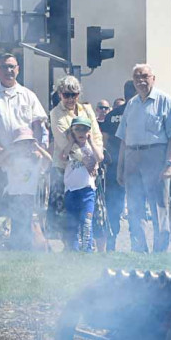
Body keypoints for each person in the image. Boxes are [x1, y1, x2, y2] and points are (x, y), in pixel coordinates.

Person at [0, 53, 47, 244]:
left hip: (23, 165)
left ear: (18, 69)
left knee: (21, 206)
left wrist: (35, 150)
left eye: (12, 66)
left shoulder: (29, 96)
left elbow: (38, 125)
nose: (9, 70)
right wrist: (3, 153)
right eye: (4, 67)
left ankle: (19, 245)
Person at [115, 64, 171, 253]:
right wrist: (121, 167)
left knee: (159, 205)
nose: (141, 80)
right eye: (136, 77)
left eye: (144, 76)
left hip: (156, 156)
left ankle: (160, 251)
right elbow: (124, 138)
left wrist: (169, 164)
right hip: (132, 156)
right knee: (134, 205)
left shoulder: (165, 100)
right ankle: (139, 249)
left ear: (153, 78)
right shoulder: (131, 104)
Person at [49, 75, 103, 249]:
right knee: (66, 216)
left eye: (75, 94)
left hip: (90, 170)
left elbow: (96, 134)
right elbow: (65, 141)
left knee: (92, 214)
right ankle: (70, 248)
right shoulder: (55, 113)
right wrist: (87, 161)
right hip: (65, 169)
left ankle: (90, 248)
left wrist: (96, 160)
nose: (71, 98)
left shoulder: (87, 109)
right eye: (67, 94)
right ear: (59, 94)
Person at [0, 126, 51, 250]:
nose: (24, 146)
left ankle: (26, 247)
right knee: (16, 222)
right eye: (21, 143)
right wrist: (10, 150)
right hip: (13, 195)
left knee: (26, 221)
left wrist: (38, 147)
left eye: (27, 143)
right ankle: (15, 246)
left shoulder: (35, 160)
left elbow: (49, 159)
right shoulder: (12, 160)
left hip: (28, 195)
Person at [59, 116, 101, 251]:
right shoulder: (71, 147)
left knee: (86, 221)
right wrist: (71, 141)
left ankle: (87, 249)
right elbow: (63, 157)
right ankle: (73, 249)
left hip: (87, 190)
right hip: (71, 190)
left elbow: (100, 157)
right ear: (72, 131)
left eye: (84, 129)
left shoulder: (91, 146)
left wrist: (91, 141)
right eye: (77, 129)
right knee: (72, 222)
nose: (81, 132)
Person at [95, 98, 125, 250]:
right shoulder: (130, 112)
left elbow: (105, 141)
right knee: (115, 205)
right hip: (118, 165)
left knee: (114, 205)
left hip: (113, 166)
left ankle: (111, 241)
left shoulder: (111, 116)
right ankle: (111, 241)